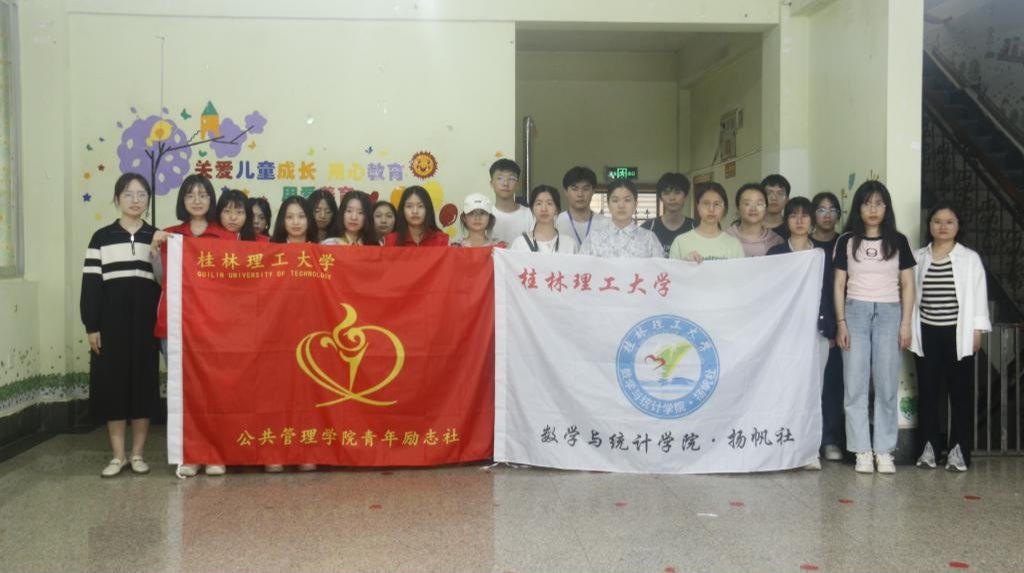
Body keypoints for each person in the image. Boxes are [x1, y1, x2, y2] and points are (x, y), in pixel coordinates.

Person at [150, 175, 235, 477]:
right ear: (182, 201)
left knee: (215, 392)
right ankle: (189, 454)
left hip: (215, 328)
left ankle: (214, 454)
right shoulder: (170, 236)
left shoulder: (226, 238)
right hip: (176, 325)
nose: (197, 200)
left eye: (202, 195)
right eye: (190, 195)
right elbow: (162, 280)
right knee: (182, 393)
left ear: (211, 200)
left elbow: (233, 287)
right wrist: (154, 250)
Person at [82, 173, 162, 478]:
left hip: (146, 327)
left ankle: (138, 454)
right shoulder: (101, 238)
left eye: (141, 195)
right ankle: (118, 456)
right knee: (112, 388)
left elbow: (166, 282)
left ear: (148, 200)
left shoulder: (156, 236)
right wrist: (92, 326)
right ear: (117, 199)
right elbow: (91, 286)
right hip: (110, 327)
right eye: (128, 194)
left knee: (143, 387)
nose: (135, 200)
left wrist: (158, 250)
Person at [833, 181, 916, 474]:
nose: (873, 209)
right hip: (855, 311)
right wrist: (841, 323)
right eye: (867, 203)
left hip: (890, 313)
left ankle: (884, 450)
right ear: (858, 207)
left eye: (879, 203)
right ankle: (862, 451)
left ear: (886, 208)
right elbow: (839, 284)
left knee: (886, 385)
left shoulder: (899, 240)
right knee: (854, 385)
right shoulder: (846, 240)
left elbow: (908, 284)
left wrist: (906, 324)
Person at [910, 203, 990, 472]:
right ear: (929, 225)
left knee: (960, 394)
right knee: (928, 393)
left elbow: (979, 295)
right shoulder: (919, 257)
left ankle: (958, 452)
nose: (942, 226)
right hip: (926, 332)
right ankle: (928, 450)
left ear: (958, 226)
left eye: (949, 221)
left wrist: (977, 330)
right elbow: (909, 294)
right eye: (937, 221)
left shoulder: (969, 258)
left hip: (958, 333)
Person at [767, 197, 837, 469]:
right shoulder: (776, 253)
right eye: (794, 215)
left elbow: (831, 292)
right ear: (786, 220)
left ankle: (809, 450)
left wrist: (832, 328)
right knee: (785, 387)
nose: (799, 220)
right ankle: (782, 445)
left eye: (805, 215)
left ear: (811, 221)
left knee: (813, 389)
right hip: (785, 333)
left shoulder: (823, 253)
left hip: (816, 330)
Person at [810, 191, 845, 462]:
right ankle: (808, 440)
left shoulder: (845, 244)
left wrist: (835, 327)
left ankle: (830, 439)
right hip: (805, 326)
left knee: (833, 386)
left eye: (832, 210)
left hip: (837, 325)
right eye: (821, 210)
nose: (827, 215)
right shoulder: (805, 245)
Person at [579, 179, 663, 258]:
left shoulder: (649, 239)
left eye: (627, 200)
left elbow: (660, 267)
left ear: (635, 204)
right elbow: (582, 266)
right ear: (608, 204)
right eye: (615, 200)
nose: (621, 205)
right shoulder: (593, 239)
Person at [668, 182, 744, 263]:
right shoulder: (680, 242)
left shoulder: (734, 245)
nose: (711, 209)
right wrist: (684, 263)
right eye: (706, 203)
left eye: (717, 204)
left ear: (724, 208)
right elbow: (671, 270)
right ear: (698, 206)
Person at [556, 166, 611, 251]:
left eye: (585, 189)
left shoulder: (606, 224)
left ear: (593, 191)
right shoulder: (556, 223)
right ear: (566, 192)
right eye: (574, 189)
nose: (580, 194)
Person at [641, 172, 696, 256]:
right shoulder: (647, 228)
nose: (672, 198)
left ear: (685, 196)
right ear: (660, 198)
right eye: (666, 193)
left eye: (677, 192)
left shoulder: (696, 227)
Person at [511, 184, 577, 254]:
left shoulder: (569, 244)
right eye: (539, 203)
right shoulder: (520, 243)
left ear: (557, 209)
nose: (544, 209)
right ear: (532, 209)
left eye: (549, 203)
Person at [725, 183, 784, 257]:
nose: (753, 209)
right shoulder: (725, 237)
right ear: (738, 208)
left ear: (766, 209)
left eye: (759, 204)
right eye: (747, 204)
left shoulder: (776, 241)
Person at [383, 186, 450, 247]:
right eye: (409, 206)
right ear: (402, 210)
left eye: (420, 206)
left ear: (428, 209)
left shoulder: (442, 240)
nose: (415, 211)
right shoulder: (390, 241)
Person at [488, 159, 533, 245]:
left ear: (517, 185)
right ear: (491, 184)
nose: (505, 183)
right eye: (500, 178)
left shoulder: (530, 215)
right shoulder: (486, 215)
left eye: (511, 178)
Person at [762, 174, 791, 238]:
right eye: (769, 193)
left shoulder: (792, 229)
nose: (774, 198)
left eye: (780, 193)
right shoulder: (749, 225)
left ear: (787, 200)